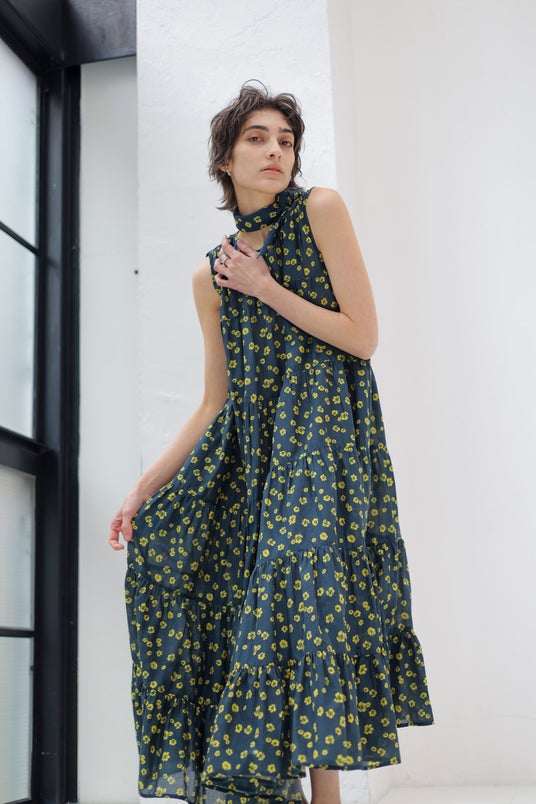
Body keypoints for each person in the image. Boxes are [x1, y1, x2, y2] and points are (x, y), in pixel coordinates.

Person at [109, 82, 433, 804]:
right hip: (252, 456)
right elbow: (214, 401)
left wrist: (265, 287)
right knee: (259, 612)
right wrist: (143, 489)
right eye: (256, 138)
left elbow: (362, 336)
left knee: (308, 599)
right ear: (224, 160)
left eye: (286, 140)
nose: (275, 151)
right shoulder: (209, 274)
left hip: (325, 438)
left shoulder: (322, 210)